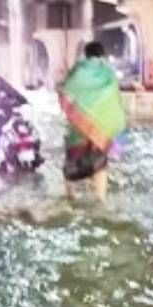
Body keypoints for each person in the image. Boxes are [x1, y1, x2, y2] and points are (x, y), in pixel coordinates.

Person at [58, 41, 127, 202]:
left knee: (72, 159)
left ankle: (70, 197)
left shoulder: (78, 70)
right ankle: (100, 199)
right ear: (102, 55)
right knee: (100, 163)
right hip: (103, 127)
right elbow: (114, 100)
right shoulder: (108, 73)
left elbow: (66, 90)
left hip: (80, 127)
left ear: (86, 54)